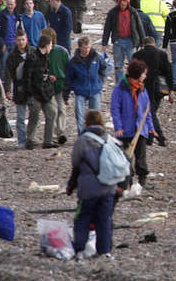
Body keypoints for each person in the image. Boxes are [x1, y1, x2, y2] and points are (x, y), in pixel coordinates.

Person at [65, 109, 116, 259]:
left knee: (83, 217)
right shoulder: (109, 138)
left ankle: (79, 248)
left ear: (86, 122)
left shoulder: (83, 140)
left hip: (88, 188)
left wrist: (70, 186)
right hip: (108, 186)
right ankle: (104, 250)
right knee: (104, 219)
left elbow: (76, 164)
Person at [110, 58, 155, 187]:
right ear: (137, 74)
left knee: (141, 157)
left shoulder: (142, 89)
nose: (145, 76)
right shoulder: (120, 89)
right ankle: (127, 182)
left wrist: (150, 127)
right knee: (125, 158)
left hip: (140, 129)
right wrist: (118, 127)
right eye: (144, 73)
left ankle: (142, 182)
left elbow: (147, 110)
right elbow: (115, 109)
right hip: (125, 129)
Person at [132, 36, 172, 147]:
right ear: (154, 44)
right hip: (159, 88)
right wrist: (171, 90)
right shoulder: (162, 54)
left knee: (150, 113)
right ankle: (150, 138)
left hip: (143, 88)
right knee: (152, 111)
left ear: (144, 44)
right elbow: (168, 72)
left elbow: (133, 73)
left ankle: (159, 137)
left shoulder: (137, 55)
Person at [65, 36, 107, 134]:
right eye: (84, 47)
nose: (87, 50)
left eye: (88, 47)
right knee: (80, 116)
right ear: (79, 47)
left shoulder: (96, 57)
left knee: (96, 116)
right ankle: (82, 135)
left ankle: (97, 134)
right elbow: (69, 78)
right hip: (80, 91)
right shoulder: (73, 62)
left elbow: (104, 68)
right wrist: (66, 94)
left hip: (95, 90)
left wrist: (100, 81)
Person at [102, 0, 145, 84]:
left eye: (125, 4)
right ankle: (120, 85)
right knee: (118, 65)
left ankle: (133, 83)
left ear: (128, 3)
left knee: (133, 64)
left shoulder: (133, 12)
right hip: (118, 40)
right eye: (121, 4)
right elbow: (107, 28)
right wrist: (104, 43)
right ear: (119, 3)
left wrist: (143, 41)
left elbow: (139, 27)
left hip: (131, 40)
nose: (123, 6)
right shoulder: (113, 12)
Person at [24, 34, 58, 149]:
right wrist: (29, 94)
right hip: (34, 93)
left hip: (45, 91)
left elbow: (44, 74)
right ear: (47, 45)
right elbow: (27, 77)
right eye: (51, 45)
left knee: (52, 112)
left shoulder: (45, 57)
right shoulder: (32, 57)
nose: (52, 47)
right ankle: (30, 140)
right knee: (34, 115)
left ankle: (48, 140)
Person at [40, 28, 69, 146]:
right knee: (52, 111)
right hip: (47, 87)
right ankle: (51, 135)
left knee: (61, 109)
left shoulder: (62, 52)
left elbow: (68, 68)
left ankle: (60, 132)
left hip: (60, 85)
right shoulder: (41, 54)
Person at [6, 30, 32, 147]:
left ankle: (31, 139)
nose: (21, 42)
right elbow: (8, 74)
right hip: (20, 89)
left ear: (26, 39)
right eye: (19, 40)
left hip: (32, 88)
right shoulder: (12, 56)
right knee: (21, 116)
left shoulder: (33, 52)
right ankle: (22, 140)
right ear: (16, 41)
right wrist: (8, 89)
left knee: (34, 115)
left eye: (23, 39)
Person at [0, 0, 20, 86]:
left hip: (15, 44)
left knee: (15, 65)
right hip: (5, 45)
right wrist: (1, 43)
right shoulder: (0, 15)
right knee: (3, 66)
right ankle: (1, 86)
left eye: (12, 4)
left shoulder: (18, 16)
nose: (10, 6)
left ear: (15, 5)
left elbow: (21, 31)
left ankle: (12, 86)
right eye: (8, 4)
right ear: (6, 4)